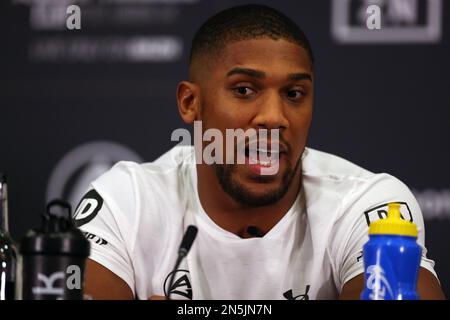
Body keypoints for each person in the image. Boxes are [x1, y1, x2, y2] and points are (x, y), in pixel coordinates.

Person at [75, 4, 445, 300]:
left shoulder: (368, 202)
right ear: (191, 102)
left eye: (294, 94)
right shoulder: (126, 202)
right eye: (244, 90)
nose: (274, 117)